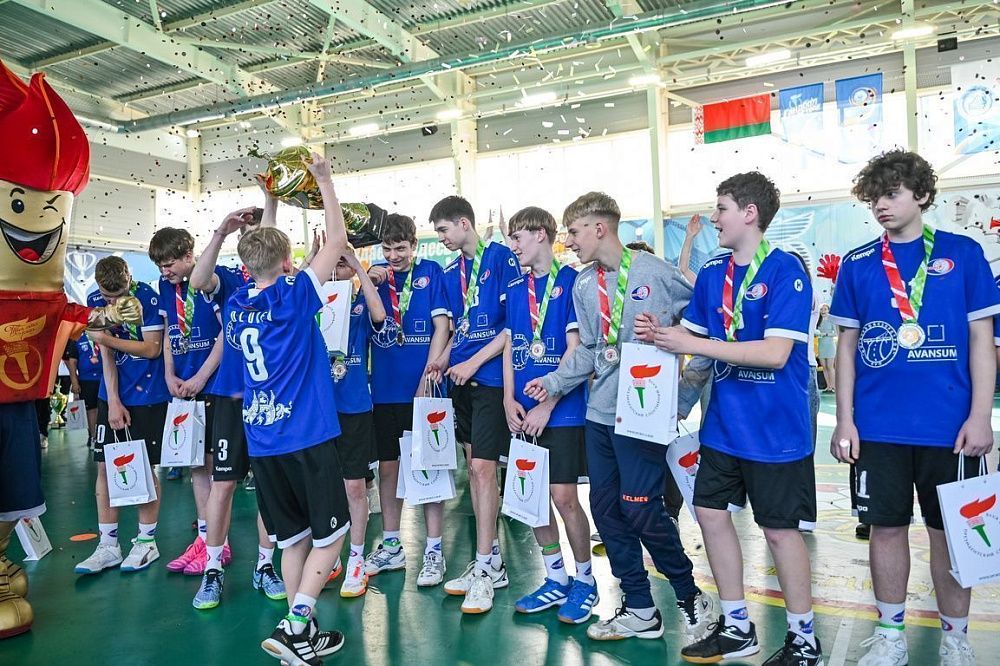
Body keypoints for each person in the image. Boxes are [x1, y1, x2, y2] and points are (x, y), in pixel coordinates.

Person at [641, 173, 823, 665]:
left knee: (779, 531)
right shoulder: (713, 273)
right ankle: (738, 625)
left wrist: (692, 342)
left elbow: (776, 353)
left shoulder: (786, 270)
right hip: (722, 428)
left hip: (775, 432)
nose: (714, 218)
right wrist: (661, 336)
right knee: (709, 514)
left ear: (749, 213)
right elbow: (696, 346)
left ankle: (804, 638)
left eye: (721, 208)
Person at [830, 150, 999, 666]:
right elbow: (846, 346)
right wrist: (844, 419)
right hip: (877, 428)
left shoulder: (963, 254)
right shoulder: (858, 263)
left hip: (951, 428)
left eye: (892, 194)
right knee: (885, 528)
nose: (881, 205)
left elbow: (982, 339)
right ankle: (890, 635)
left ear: (922, 195)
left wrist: (981, 415)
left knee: (950, 534)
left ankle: (955, 639)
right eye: (873, 198)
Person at [524, 191, 714, 642]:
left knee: (642, 508)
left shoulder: (657, 273)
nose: (569, 241)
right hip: (599, 415)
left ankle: (690, 595)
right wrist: (552, 383)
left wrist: (683, 395)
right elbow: (591, 348)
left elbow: (705, 330)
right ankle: (640, 607)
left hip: (642, 416)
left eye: (573, 232)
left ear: (599, 228)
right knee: (606, 511)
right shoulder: (583, 284)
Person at [230, 152, 351, 663]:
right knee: (332, 537)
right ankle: (296, 622)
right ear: (287, 263)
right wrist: (324, 180)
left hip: (263, 442)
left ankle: (304, 634)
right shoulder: (294, 296)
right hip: (307, 436)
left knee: (293, 540)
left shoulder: (237, 305)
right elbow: (338, 241)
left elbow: (263, 252)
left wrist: (271, 200)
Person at [186, 201, 287, 611]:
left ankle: (265, 565)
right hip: (230, 397)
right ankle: (212, 569)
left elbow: (272, 241)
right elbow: (198, 280)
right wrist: (221, 232)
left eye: (259, 234)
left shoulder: (283, 282)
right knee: (223, 483)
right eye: (247, 236)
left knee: (268, 486)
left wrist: (272, 199)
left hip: (269, 398)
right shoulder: (229, 280)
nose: (254, 240)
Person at [502, 206, 596, 623]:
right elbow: (510, 346)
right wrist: (508, 398)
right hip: (522, 410)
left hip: (562, 410)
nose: (513, 246)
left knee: (563, 497)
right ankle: (555, 578)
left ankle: (586, 581)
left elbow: (577, 351)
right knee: (533, 499)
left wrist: (549, 402)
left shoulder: (572, 282)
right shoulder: (515, 287)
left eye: (517, 237)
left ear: (541, 234)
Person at [431, 195, 520, 614]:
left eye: (444, 230)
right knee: (473, 469)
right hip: (460, 380)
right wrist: (441, 360)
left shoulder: (502, 258)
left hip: (489, 378)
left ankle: (485, 567)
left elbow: (511, 329)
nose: (442, 238)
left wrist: (472, 363)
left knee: (485, 470)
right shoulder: (453, 272)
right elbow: (458, 329)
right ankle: (492, 560)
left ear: (464, 223)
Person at [364, 214, 452, 587]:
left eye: (401, 248)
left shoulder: (431, 272)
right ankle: (392, 544)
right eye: (387, 248)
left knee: (430, 469)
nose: (394, 255)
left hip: (424, 390)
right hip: (385, 391)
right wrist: (368, 279)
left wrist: (427, 377)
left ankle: (433, 550)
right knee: (388, 468)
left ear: (414, 245)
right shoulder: (374, 278)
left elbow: (442, 327)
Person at [75, 256, 170, 575]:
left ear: (129, 279)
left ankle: (146, 541)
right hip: (112, 394)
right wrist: (113, 400)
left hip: (149, 394)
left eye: (119, 295)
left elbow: (152, 348)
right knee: (104, 466)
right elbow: (106, 355)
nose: (113, 302)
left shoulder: (148, 297)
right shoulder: (94, 299)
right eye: (107, 296)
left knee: (143, 466)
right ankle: (108, 545)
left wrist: (105, 338)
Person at [148, 227, 225, 576]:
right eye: (160, 266)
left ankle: (219, 543)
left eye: (169, 264)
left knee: (214, 466)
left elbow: (227, 333)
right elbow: (168, 335)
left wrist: (202, 377)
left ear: (189, 256)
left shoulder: (212, 280)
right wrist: (169, 375)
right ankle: (204, 537)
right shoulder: (166, 287)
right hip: (181, 388)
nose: (165, 272)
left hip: (212, 385)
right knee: (194, 466)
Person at [325, 245, 386, 598]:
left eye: (342, 263)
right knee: (326, 487)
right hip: (320, 410)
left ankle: (357, 558)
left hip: (354, 408)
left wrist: (360, 270)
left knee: (354, 487)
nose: (337, 268)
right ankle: (330, 554)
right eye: (332, 263)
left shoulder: (360, 304)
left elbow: (380, 314)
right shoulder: (315, 302)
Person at [69, 333, 103, 448]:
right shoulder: (77, 337)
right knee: (91, 410)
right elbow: (72, 362)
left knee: (103, 408)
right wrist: (74, 382)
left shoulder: (103, 334)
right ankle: (93, 437)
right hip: (86, 380)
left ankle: (104, 437)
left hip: (104, 378)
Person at [816, 304, 837, 392]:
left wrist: (826, 334)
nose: (823, 311)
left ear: (828, 310)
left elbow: (835, 333)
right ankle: (828, 386)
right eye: (821, 309)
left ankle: (833, 386)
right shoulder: (818, 321)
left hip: (829, 345)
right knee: (824, 367)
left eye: (825, 309)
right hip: (821, 345)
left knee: (830, 366)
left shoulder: (831, 321)